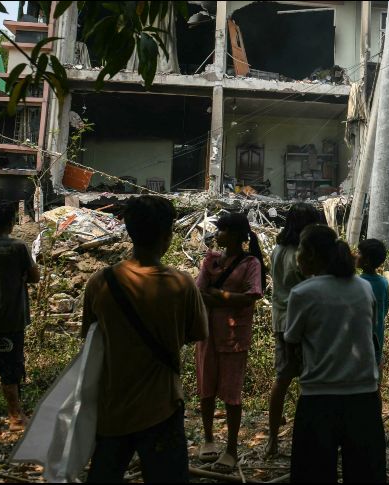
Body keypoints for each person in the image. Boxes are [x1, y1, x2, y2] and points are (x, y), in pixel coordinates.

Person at [82, 195, 208, 483]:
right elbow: (197, 334)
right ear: (167, 237)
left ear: (129, 231)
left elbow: (90, 335)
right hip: (162, 407)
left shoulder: (100, 283)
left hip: (112, 408)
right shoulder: (181, 284)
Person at [285, 225, 386, 483]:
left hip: (319, 398)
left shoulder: (302, 293)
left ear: (313, 254)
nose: (297, 257)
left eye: (301, 250)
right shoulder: (363, 288)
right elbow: (369, 334)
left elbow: (292, 345)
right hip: (364, 396)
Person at [196, 212, 266, 471]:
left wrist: (218, 295)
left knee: (231, 392)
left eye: (223, 229)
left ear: (236, 234)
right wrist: (225, 297)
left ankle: (232, 448)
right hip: (208, 333)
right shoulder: (211, 260)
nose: (218, 234)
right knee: (206, 388)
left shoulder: (250, 263)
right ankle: (208, 439)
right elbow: (199, 291)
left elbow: (251, 296)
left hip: (235, 336)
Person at [0, 200, 39, 433]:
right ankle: (15, 417)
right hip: (12, 318)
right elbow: (34, 276)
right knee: (11, 368)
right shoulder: (18, 247)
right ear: (12, 221)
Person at [266, 202, 320, 457]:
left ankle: (272, 440)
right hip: (303, 323)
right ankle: (308, 439)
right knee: (309, 382)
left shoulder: (277, 249)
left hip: (280, 320)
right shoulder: (303, 254)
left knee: (283, 379)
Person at [357, 239, 389, 377]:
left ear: (367, 259)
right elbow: (385, 309)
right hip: (377, 337)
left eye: (359, 252)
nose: (356, 255)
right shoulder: (383, 283)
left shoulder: (357, 282)